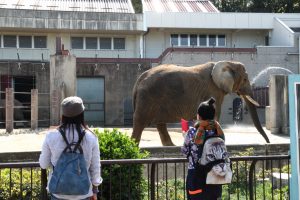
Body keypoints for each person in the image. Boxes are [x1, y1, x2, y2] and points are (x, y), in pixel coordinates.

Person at [39, 96, 102, 200]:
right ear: (82, 114)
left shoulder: (51, 136)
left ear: (63, 115)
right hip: (84, 193)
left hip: (58, 192)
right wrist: (95, 190)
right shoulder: (91, 137)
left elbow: (43, 164)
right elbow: (95, 167)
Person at [181, 97, 224, 200]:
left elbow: (184, 151)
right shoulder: (217, 131)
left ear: (198, 116)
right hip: (215, 177)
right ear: (213, 115)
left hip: (196, 177)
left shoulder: (192, 132)